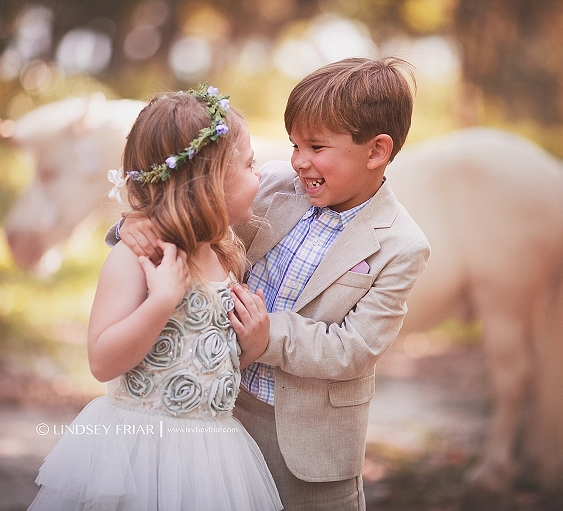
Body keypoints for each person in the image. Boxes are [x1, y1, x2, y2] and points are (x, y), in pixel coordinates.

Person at [117, 57, 431, 510]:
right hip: (223, 409)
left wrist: (271, 337)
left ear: (377, 151)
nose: (299, 160)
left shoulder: (401, 245)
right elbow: (194, 210)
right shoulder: (275, 187)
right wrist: (135, 227)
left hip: (308, 447)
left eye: (317, 146)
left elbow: (356, 348)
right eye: (294, 144)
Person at [29, 85, 282, 511]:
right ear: (210, 182)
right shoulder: (137, 258)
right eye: (250, 165)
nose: (261, 176)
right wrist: (160, 303)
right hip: (139, 451)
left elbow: (206, 360)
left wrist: (252, 345)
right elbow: (102, 361)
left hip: (211, 455)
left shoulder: (226, 255)